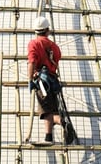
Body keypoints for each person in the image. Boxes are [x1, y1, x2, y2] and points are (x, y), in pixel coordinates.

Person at [27, 16, 72, 145]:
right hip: (53, 81)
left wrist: (30, 80)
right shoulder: (54, 46)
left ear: (36, 31)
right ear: (47, 30)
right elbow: (57, 59)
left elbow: (31, 62)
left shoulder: (34, 44)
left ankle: (63, 122)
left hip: (42, 83)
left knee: (46, 111)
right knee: (51, 110)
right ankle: (48, 138)